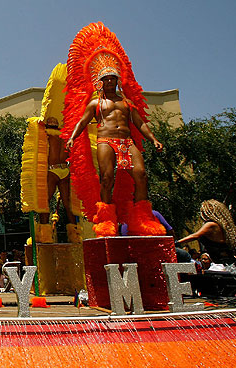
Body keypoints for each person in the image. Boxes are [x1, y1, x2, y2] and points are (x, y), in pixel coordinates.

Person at [65, 23, 164, 237]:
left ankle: (142, 219)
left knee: (141, 174)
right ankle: (106, 220)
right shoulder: (95, 104)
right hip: (106, 141)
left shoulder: (127, 102)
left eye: (112, 78)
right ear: (99, 82)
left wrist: (153, 139)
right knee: (107, 177)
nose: (109, 81)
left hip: (127, 142)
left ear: (118, 80)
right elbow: (82, 122)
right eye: (106, 79)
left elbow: (140, 123)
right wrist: (72, 138)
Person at [176, 200, 236, 266]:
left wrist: (176, 242)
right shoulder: (221, 225)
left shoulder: (210, 225)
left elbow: (195, 236)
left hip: (222, 264)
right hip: (227, 262)